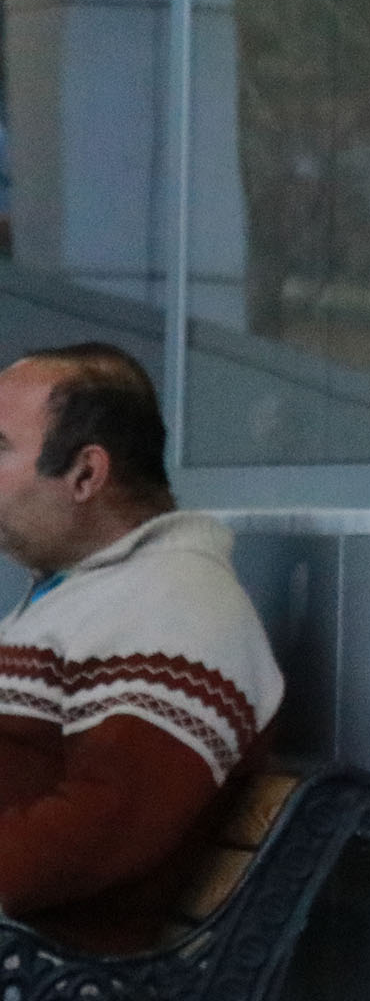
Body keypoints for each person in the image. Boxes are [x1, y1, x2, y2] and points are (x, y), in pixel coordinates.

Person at [0, 343, 285, 952]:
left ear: (86, 475)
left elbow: (101, 825)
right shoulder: (87, 589)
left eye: (0, 450)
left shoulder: (175, 602)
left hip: (57, 988)